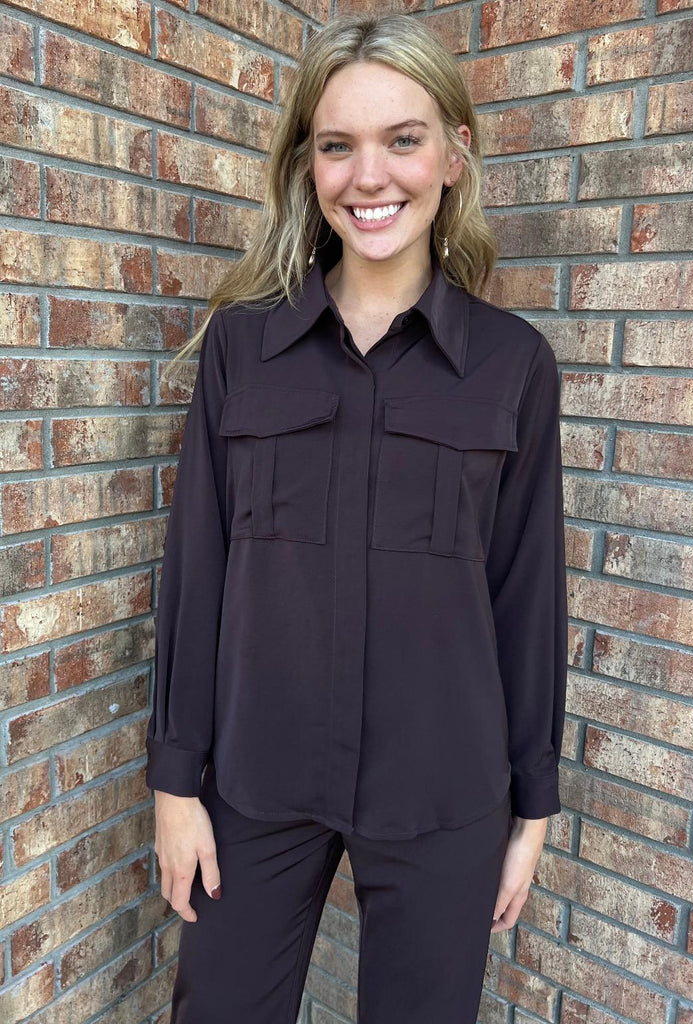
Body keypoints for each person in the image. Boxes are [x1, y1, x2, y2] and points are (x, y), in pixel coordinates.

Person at [145, 11, 568, 1024]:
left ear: (453, 155)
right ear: (308, 164)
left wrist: (533, 806)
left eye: (402, 139)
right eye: (338, 145)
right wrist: (174, 784)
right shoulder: (241, 349)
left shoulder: (513, 364)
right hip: (255, 781)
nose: (368, 176)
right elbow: (198, 569)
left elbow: (527, 592)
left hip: (444, 789)